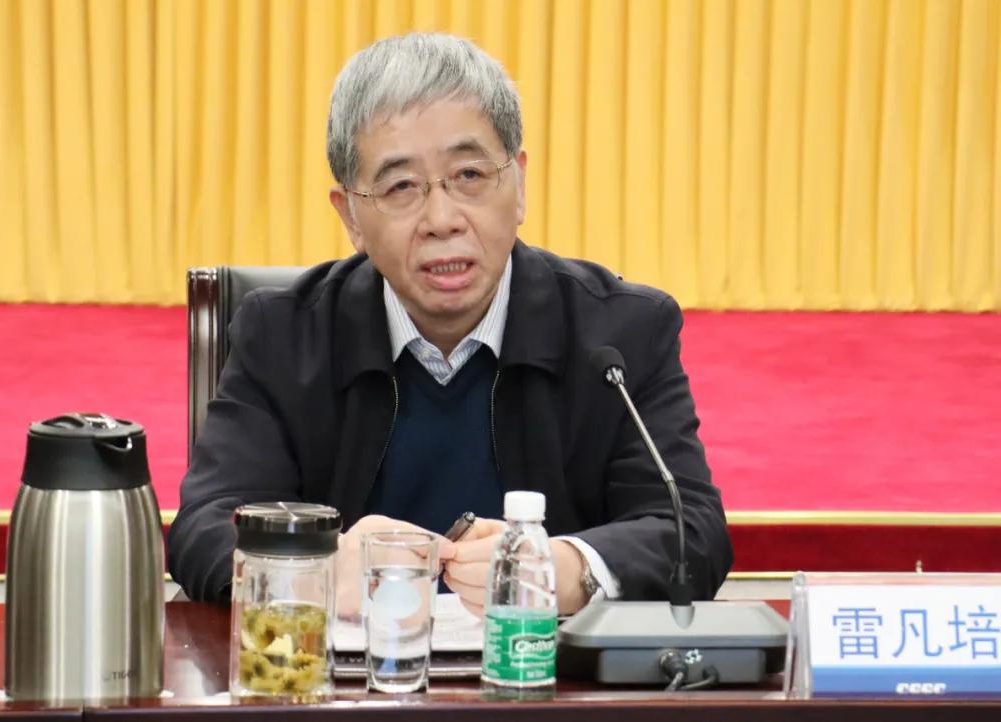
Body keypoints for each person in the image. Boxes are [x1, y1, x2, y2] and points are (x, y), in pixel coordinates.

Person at [168, 32, 732, 615]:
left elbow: (690, 530)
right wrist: (316, 571)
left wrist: (569, 568)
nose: (442, 219)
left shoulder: (621, 333)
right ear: (352, 216)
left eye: (469, 175)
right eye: (400, 186)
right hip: (348, 671)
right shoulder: (283, 335)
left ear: (518, 184)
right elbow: (205, 525)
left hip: (539, 669)